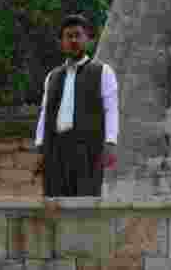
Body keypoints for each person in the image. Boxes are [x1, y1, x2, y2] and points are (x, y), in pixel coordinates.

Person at [33, 14, 119, 197]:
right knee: (54, 204)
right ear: (61, 42)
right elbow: (44, 114)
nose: (73, 40)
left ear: (87, 39)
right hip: (55, 151)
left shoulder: (102, 72)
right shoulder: (52, 77)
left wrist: (110, 142)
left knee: (86, 204)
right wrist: (40, 148)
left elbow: (111, 109)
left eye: (78, 35)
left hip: (87, 150)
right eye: (68, 36)